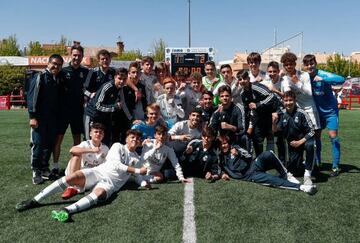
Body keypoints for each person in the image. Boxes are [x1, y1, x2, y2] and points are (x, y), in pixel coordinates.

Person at [16, 129, 147, 223]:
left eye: (137, 138)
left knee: (99, 193)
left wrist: (144, 183)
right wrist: (137, 171)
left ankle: (67, 210)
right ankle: (35, 200)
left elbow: (139, 177)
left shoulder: (137, 158)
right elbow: (116, 164)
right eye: (132, 137)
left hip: (110, 184)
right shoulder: (117, 146)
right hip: (98, 172)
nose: (135, 140)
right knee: (70, 178)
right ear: (126, 139)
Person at [217, 135, 317, 195]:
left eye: (225, 143)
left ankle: (286, 174)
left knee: (268, 153)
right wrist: (222, 174)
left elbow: (248, 156)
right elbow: (216, 168)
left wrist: (239, 153)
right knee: (273, 180)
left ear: (228, 143)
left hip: (255, 164)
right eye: (221, 145)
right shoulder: (221, 159)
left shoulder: (235, 147)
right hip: (250, 175)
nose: (224, 146)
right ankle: (301, 187)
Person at [302, 54, 345, 176]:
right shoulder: (305, 77)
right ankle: (318, 163)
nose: (310, 66)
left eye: (312, 63)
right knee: (316, 137)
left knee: (333, 137)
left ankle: (336, 167)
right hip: (317, 112)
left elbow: (341, 79)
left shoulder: (323, 74)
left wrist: (323, 79)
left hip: (331, 112)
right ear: (304, 66)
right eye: (307, 64)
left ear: (315, 64)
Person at [53, 45, 89, 177]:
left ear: (82, 57)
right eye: (74, 55)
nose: (76, 57)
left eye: (79, 55)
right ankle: (55, 166)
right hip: (63, 111)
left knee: (77, 141)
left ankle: (76, 166)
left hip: (78, 111)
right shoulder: (62, 71)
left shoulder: (86, 72)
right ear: (70, 55)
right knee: (58, 139)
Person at [27, 54, 64, 184]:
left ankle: (44, 168)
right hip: (39, 118)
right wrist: (32, 117)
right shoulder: (40, 77)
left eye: (59, 65)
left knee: (49, 144)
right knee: (38, 144)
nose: (56, 66)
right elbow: (32, 98)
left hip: (52, 119)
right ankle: (36, 170)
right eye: (54, 63)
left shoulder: (57, 79)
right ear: (48, 63)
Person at [274, 91, 315, 185]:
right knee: (296, 171)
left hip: (303, 141)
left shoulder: (302, 113)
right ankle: (298, 164)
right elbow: (276, 131)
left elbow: (312, 131)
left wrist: (300, 142)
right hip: (292, 144)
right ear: (283, 101)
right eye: (286, 100)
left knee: (311, 145)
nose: (288, 103)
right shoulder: (281, 113)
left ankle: (307, 175)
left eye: (290, 100)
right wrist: (273, 122)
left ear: (295, 100)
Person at [62, 123, 109, 200]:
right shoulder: (85, 143)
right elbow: (72, 150)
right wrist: (92, 150)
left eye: (101, 132)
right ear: (90, 134)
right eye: (96, 132)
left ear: (103, 135)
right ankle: (71, 186)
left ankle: (80, 186)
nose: (98, 134)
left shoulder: (105, 148)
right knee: (76, 155)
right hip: (77, 172)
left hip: (90, 175)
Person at [84, 68, 128, 146]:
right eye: (119, 78)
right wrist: (114, 107)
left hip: (103, 117)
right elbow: (98, 106)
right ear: (115, 77)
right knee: (90, 142)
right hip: (92, 116)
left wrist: (131, 119)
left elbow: (123, 103)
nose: (121, 81)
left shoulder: (120, 88)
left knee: (104, 142)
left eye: (124, 79)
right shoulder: (108, 87)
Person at [238, 69, 276, 156]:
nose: (242, 81)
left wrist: (258, 104)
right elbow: (248, 110)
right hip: (258, 120)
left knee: (271, 142)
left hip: (269, 117)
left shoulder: (256, 87)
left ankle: (274, 162)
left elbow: (272, 96)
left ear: (248, 78)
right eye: (240, 79)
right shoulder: (242, 94)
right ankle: (260, 162)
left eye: (244, 78)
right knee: (257, 141)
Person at [280, 52, 320, 130]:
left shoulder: (304, 75)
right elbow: (286, 96)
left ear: (295, 64)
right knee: (298, 135)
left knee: (314, 135)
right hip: (296, 111)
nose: (289, 66)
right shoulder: (284, 79)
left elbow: (309, 93)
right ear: (284, 66)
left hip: (309, 109)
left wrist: (297, 83)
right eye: (286, 65)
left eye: (291, 64)